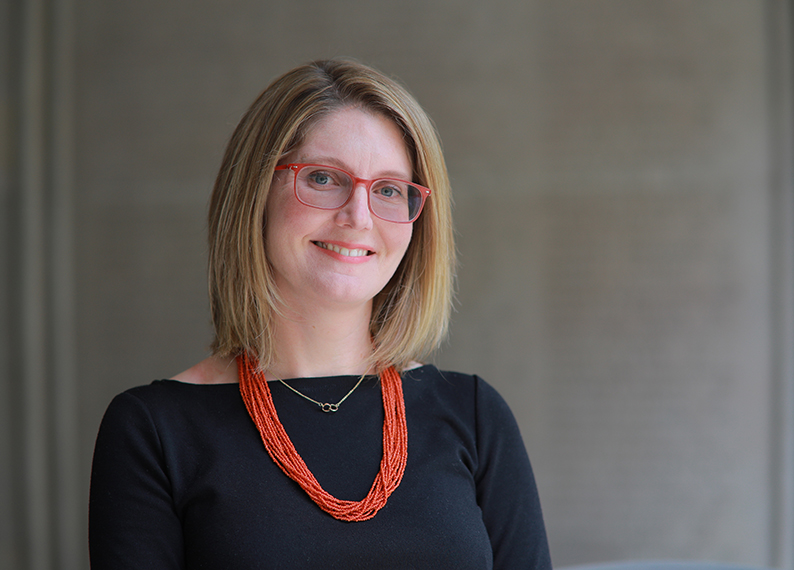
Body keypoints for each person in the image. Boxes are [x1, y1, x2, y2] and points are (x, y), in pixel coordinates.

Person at [89, 58, 551, 569]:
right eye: (324, 178)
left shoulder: (476, 416)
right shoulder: (153, 430)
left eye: (390, 190)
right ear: (255, 194)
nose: (358, 216)